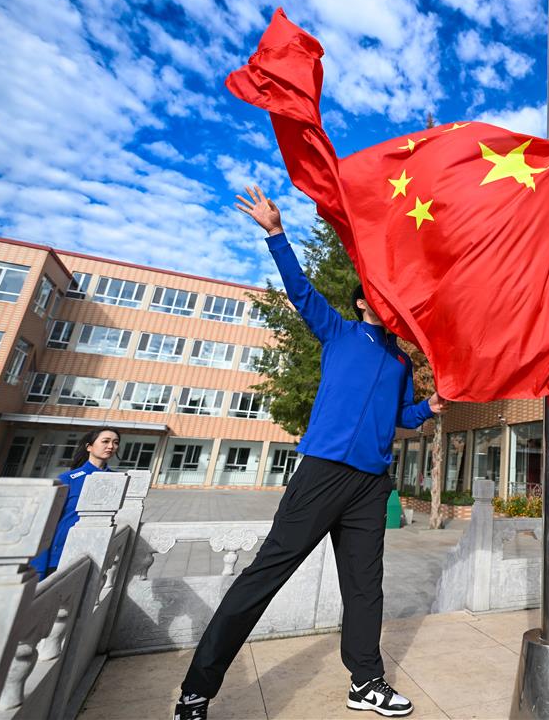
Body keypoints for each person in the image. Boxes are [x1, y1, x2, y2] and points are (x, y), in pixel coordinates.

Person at [174, 185, 445, 720]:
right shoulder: (339, 332)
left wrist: (429, 406)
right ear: (364, 302)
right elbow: (300, 291)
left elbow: (400, 416)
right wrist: (276, 234)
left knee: (365, 588)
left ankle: (365, 681)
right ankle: (196, 690)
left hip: (371, 484)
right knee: (265, 576)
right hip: (323, 472)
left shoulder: (400, 363)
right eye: (379, 295)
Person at [30, 427, 119, 580]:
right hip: (61, 554)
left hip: (96, 551)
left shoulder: (117, 480)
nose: (111, 446)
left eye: (115, 443)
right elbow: (46, 521)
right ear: (89, 447)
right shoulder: (69, 479)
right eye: (105, 441)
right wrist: (39, 566)